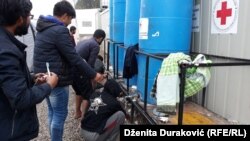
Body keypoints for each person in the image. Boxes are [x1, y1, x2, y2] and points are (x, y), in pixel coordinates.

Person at [33, 1, 104, 141]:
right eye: (71, 18)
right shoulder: (59, 30)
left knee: (52, 112)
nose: (69, 22)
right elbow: (74, 58)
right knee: (59, 114)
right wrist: (94, 74)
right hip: (57, 80)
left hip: (43, 77)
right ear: (65, 15)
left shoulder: (43, 28)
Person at [0, 0, 58, 140]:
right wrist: (49, 85)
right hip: (10, 132)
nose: (29, 20)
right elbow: (21, 99)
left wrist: (30, 78)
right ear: (20, 19)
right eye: (29, 17)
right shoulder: (6, 52)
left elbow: (6, 82)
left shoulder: (5, 43)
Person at [72, 29, 106, 119]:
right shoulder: (95, 45)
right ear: (100, 38)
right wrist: (92, 78)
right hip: (80, 71)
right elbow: (90, 65)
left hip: (72, 70)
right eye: (102, 40)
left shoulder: (84, 41)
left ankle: (77, 113)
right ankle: (84, 119)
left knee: (79, 91)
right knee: (88, 94)